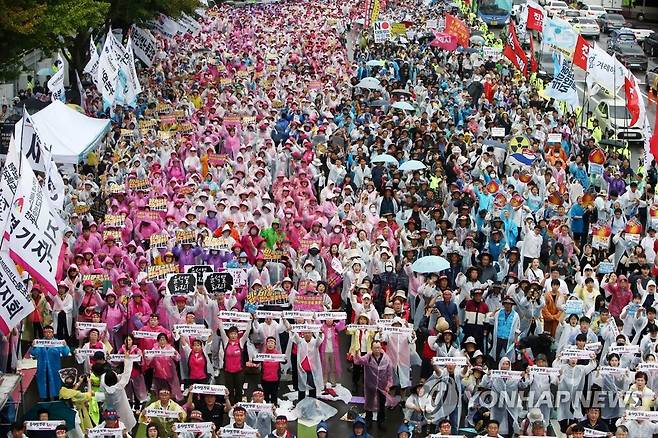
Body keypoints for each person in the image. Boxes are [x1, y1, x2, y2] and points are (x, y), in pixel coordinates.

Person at [353, 340, 393, 428]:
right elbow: (358, 361)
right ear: (372, 348)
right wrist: (357, 353)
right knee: (369, 404)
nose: (377, 350)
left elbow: (389, 373)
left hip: (382, 386)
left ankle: (381, 422)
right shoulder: (368, 357)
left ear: (381, 348)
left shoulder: (386, 359)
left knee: (382, 405)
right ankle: (368, 421)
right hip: (370, 385)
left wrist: (389, 384)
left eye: (378, 347)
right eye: (375, 348)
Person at [30, 325, 71, 400]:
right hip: (42, 368)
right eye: (46, 332)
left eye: (50, 332)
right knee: (44, 386)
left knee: (55, 385)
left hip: (54, 368)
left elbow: (65, 353)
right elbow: (34, 353)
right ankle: (45, 400)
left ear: (53, 333)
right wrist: (33, 346)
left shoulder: (57, 342)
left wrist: (65, 346)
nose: (48, 334)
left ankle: (56, 399)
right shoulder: (40, 343)